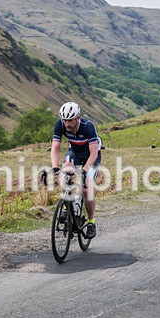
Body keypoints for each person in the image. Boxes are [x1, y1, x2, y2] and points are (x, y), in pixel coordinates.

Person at [51, 102, 101, 239]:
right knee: (64, 172)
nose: (66, 124)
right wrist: (54, 166)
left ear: (78, 118)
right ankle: (66, 207)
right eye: (64, 120)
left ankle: (91, 222)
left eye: (70, 120)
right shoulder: (60, 124)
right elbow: (55, 147)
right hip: (75, 152)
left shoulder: (88, 126)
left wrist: (84, 170)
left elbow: (94, 153)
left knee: (86, 190)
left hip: (91, 155)